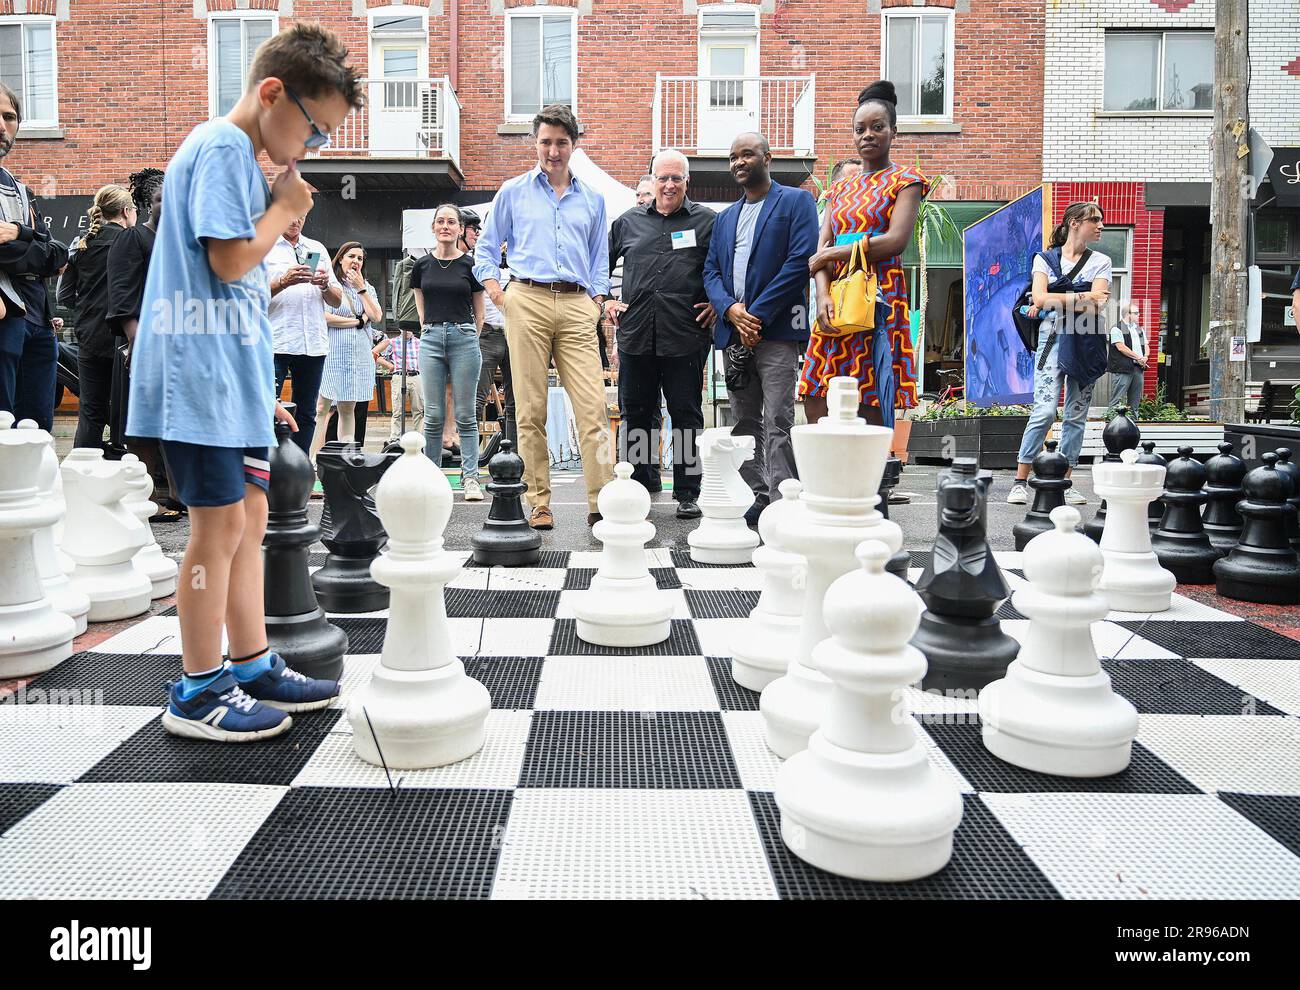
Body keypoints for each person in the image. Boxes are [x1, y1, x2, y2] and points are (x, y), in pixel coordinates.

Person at [127, 22, 360, 741]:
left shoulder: (234, 154)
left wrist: (262, 392)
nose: (311, 149)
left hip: (232, 378)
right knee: (219, 528)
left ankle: (253, 662)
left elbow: (239, 295)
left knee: (252, 521)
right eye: (315, 130)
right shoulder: (223, 145)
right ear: (271, 93)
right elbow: (229, 262)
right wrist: (285, 212)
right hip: (196, 380)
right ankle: (198, 687)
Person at [473, 103, 614, 530]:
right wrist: (500, 294)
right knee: (530, 410)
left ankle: (601, 501)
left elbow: (599, 261)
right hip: (526, 299)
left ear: (574, 145)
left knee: (592, 410)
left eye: (562, 143)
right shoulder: (512, 191)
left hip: (576, 305)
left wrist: (597, 299)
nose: (553, 151)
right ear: (535, 143)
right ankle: (538, 501)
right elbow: (485, 249)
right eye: (546, 142)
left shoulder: (593, 199)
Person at [703, 131, 819, 524]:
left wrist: (756, 315)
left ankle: (784, 498)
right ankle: (754, 496)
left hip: (777, 333)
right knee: (744, 421)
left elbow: (799, 261)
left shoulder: (796, 202)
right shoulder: (724, 219)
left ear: (767, 158)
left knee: (780, 418)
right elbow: (711, 272)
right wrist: (731, 309)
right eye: (733, 156)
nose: (739, 162)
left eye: (747, 154)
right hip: (734, 334)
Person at [805, 81, 927, 430]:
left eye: (878, 127)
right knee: (817, 390)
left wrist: (836, 253)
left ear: (893, 131)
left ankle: (874, 478)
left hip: (880, 297)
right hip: (837, 298)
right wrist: (822, 293)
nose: (868, 135)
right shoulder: (839, 187)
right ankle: (826, 475)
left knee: (871, 390)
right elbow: (820, 246)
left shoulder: (906, 179)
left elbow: (895, 241)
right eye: (860, 129)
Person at [607, 149, 715, 518]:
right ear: (651, 180)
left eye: (676, 178)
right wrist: (605, 298)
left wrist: (719, 303)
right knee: (637, 413)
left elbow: (722, 271)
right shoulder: (627, 223)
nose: (669, 185)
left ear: (687, 181)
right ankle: (641, 482)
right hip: (636, 334)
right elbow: (596, 267)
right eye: (663, 178)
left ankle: (687, 491)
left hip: (685, 334)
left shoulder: (707, 222)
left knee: (685, 415)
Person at [1006, 201, 1112, 506]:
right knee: (1044, 410)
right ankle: (1020, 480)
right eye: (1096, 220)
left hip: (1085, 340)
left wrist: (1056, 299)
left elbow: (1099, 304)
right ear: (1075, 222)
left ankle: (1066, 482)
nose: (1101, 226)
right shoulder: (1044, 259)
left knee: (1076, 415)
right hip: (1051, 340)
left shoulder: (1101, 261)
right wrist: (1082, 294)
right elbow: (1038, 297)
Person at [108, 167, 180, 516]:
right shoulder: (133, 238)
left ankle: (180, 495)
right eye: (160, 198)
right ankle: (144, 498)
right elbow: (122, 297)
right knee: (143, 427)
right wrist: (137, 344)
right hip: (146, 344)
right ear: (145, 203)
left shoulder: (178, 242)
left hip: (178, 343)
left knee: (175, 423)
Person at [0, 83, 68, 430]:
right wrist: (33, 244)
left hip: (39, 323)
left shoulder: (20, 189)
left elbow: (58, 254)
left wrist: (21, 234)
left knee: (37, 432)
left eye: (9, 117)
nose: (1, 125)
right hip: (6, 316)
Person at [411, 204, 485, 501]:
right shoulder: (421, 266)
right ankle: (431, 479)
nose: (445, 226)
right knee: (433, 415)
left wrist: (468, 337)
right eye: (440, 221)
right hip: (430, 338)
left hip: (464, 337)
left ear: (459, 229)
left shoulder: (471, 265)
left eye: (451, 222)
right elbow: (420, 306)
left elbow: (479, 314)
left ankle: (471, 479)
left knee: (466, 416)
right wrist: (431, 330)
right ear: (433, 227)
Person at [58, 184, 136, 453]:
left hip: (89, 335)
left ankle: (82, 468)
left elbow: (64, 295)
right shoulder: (132, 241)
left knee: (90, 409)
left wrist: (88, 307)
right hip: (125, 337)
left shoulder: (80, 244)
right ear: (126, 212)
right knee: (128, 408)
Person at [268, 212, 341, 455]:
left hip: (312, 342)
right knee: (267, 409)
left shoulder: (316, 247)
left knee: (308, 412)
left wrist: (324, 285)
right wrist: (283, 281)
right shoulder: (263, 247)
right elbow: (250, 293)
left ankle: (299, 469)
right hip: (275, 341)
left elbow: (337, 299)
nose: (295, 220)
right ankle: (268, 469)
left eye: (300, 215)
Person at [316, 240, 382, 456]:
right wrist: (357, 321)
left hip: (358, 355)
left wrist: (361, 289)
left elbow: (376, 316)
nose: (355, 261)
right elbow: (324, 317)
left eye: (360, 258)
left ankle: (346, 457)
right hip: (332, 353)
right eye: (351, 256)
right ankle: (314, 457)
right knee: (321, 408)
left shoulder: (368, 288)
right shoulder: (332, 286)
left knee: (348, 408)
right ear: (341, 259)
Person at [476, 239, 515, 449]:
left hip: (514, 332)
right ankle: (470, 460)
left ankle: (515, 455)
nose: (504, 247)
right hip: (487, 333)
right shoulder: (480, 265)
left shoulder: (521, 265)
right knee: (477, 398)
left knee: (516, 400)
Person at [374, 328, 423, 439]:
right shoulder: (392, 342)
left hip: (417, 376)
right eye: (404, 328)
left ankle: (419, 438)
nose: (407, 330)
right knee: (397, 411)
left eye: (410, 328)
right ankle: (395, 438)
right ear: (400, 329)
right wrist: (390, 366)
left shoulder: (419, 342)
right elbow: (376, 355)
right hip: (399, 376)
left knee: (419, 410)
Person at [1107, 301, 1148, 410]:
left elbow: (1146, 345)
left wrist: (1145, 357)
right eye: (1136, 313)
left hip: (1138, 368)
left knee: (1135, 402)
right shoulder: (1117, 328)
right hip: (1123, 368)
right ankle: (1111, 423)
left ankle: (1133, 424)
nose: (1139, 315)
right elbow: (1121, 347)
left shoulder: (1139, 330)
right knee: (1117, 399)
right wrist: (1138, 357)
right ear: (1128, 314)